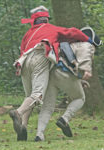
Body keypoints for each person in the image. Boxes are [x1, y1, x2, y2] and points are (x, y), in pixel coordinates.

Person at [9, 5, 93, 141]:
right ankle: (18, 112)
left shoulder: (28, 34)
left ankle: (23, 129)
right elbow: (72, 32)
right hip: (40, 57)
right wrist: (88, 40)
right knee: (37, 95)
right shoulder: (51, 28)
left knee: (29, 96)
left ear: (34, 21)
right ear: (46, 19)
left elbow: (23, 49)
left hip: (23, 61)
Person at [34, 27, 102, 141]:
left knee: (47, 106)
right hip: (64, 74)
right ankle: (64, 119)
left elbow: (68, 61)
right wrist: (87, 70)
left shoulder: (68, 44)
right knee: (80, 98)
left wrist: (80, 81)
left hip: (52, 74)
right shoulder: (86, 44)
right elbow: (83, 56)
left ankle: (39, 134)